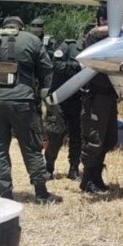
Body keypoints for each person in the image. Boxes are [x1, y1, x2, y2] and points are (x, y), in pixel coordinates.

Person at [0, 16, 61, 204]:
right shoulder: (32, 40)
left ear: (4, 26)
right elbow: (46, 69)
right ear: (21, 26)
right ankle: (41, 193)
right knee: (31, 147)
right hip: (23, 101)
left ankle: (4, 194)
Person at [79, 5, 117, 195]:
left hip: (110, 96)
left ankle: (96, 177)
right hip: (96, 97)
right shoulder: (92, 37)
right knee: (94, 141)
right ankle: (87, 181)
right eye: (111, 20)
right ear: (102, 20)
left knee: (109, 140)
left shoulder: (113, 39)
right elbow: (96, 32)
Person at [44, 36, 83, 180]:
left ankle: (74, 168)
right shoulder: (68, 46)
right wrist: (78, 67)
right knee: (56, 133)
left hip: (78, 99)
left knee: (77, 135)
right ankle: (48, 166)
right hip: (60, 97)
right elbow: (56, 65)